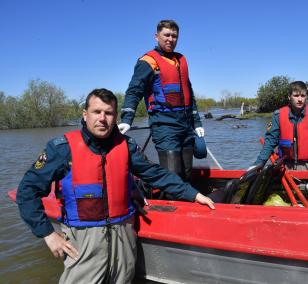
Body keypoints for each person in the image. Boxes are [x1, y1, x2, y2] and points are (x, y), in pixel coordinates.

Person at [16, 89, 214, 284]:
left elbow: (155, 174)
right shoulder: (62, 149)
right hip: (84, 242)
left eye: (109, 113)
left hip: (123, 237)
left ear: (115, 117)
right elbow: (26, 192)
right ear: (85, 115)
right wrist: (48, 234)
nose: (102, 118)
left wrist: (193, 194)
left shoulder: (126, 145)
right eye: (96, 112)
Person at [118, 19, 204, 182]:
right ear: (156, 36)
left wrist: (197, 123)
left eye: (174, 36)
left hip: (186, 125)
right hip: (164, 126)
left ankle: (188, 205)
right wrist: (127, 119)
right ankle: (170, 204)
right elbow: (134, 90)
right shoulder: (148, 61)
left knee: (187, 173)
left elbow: (189, 93)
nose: (170, 39)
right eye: (166, 35)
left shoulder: (181, 60)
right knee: (173, 175)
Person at [250, 81, 308, 179]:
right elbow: (269, 142)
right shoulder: (278, 115)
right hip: (286, 167)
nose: (300, 99)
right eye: (296, 95)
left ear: (306, 97)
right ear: (289, 97)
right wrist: (258, 163)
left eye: (303, 96)